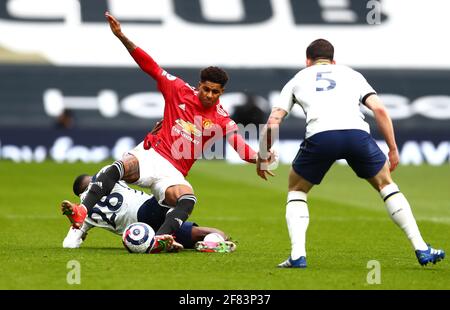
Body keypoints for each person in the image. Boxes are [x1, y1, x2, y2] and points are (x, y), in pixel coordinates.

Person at [65, 11, 264, 241]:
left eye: (215, 92)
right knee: (119, 167)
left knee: (187, 198)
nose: (208, 95)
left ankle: (159, 240)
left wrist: (260, 158)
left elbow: (240, 148)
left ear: (222, 92)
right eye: (206, 89)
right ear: (199, 85)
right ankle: (83, 211)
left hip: (174, 171)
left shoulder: (221, 118)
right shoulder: (178, 89)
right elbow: (149, 65)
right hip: (153, 155)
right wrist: (122, 37)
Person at [256, 39, 445, 268]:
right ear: (333, 61)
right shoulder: (351, 74)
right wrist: (393, 148)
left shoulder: (298, 78)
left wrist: (263, 155)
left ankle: (298, 255)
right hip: (357, 136)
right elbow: (379, 109)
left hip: (321, 136)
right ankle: (422, 248)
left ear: (308, 61)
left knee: (297, 189)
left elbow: (274, 119)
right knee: (387, 185)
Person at [62, 173, 237, 253]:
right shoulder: (108, 180)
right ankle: (219, 239)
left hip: (142, 232)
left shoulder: (86, 215)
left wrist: (75, 226)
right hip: (148, 209)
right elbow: (130, 164)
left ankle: (171, 243)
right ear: (90, 183)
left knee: (193, 235)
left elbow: (69, 244)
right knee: (176, 191)